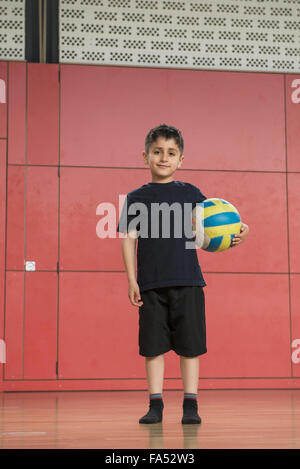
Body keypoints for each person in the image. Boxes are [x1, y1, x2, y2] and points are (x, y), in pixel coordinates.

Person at [117, 124, 249, 425]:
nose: (164, 158)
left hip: (188, 282)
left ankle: (191, 406)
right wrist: (131, 280)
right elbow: (128, 239)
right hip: (150, 284)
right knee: (153, 349)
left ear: (181, 160)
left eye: (171, 153)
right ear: (145, 156)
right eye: (157, 152)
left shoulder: (192, 194)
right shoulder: (137, 198)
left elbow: (211, 234)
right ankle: (156, 405)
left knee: (190, 348)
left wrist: (239, 234)